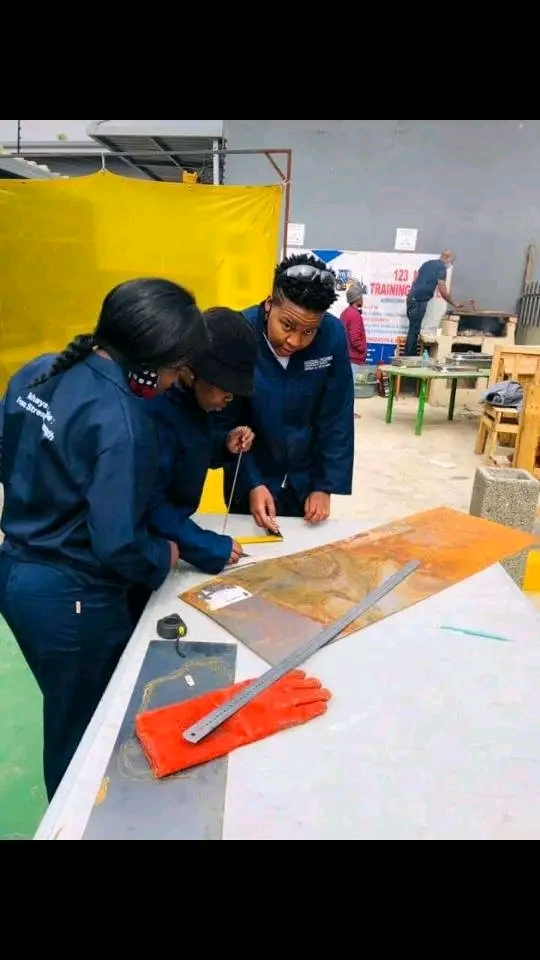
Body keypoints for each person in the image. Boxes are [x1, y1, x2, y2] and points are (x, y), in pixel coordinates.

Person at [0, 278, 208, 801]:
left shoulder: (38, 370)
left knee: (67, 710)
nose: (173, 383)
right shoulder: (122, 421)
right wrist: (162, 554)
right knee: (84, 732)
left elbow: (8, 456)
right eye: (175, 369)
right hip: (71, 599)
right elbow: (116, 544)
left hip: (16, 573)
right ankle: (74, 822)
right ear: (150, 362)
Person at [127, 307, 257, 628]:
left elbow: (190, 452)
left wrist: (224, 445)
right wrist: (205, 546)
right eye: (224, 389)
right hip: (142, 548)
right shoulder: (156, 413)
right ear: (191, 371)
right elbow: (150, 505)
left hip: (173, 532)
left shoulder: (193, 402)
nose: (228, 399)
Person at [219, 252, 355, 531]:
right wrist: (251, 482)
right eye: (287, 326)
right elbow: (225, 421)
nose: (294, 341)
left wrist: (324, 485)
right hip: (252, 474)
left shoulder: (332, 336)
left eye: (309, 332)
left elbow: (336, 417)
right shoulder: (239, 333)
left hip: (305, 480)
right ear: (270, 304)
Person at [404, 249, 464, 357]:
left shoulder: (427, 264)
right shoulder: (441, 268)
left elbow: (414, 281)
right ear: (448, 258)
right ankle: (409, 357)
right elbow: (443, 290)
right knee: (414, 330)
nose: (451, 264)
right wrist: (454, 303)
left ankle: (409, 355)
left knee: (413, 328)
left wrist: (413, 293)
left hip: (411, 298)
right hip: (419, 300)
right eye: (452, 261)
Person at [340, 282, 367, 374]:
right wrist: (363, 349)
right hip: (354, 359)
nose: (362, 299)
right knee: (355, 383)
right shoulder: (355, 315)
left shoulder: (345, 312)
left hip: (347, 357)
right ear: (357, 298)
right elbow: (355, 339)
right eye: (361, 297)